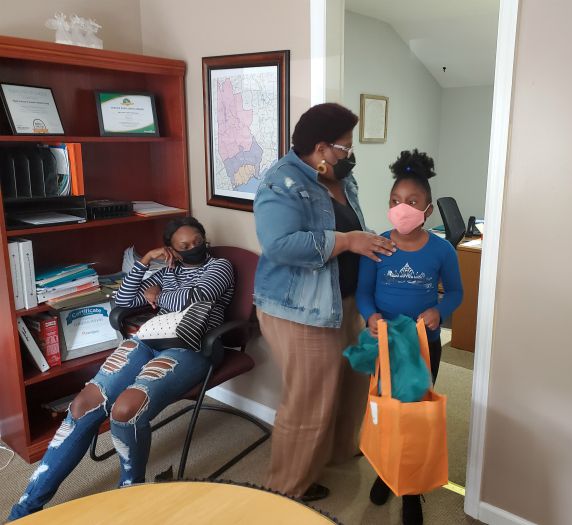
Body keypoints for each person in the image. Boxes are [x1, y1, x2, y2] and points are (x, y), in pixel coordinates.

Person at [7, 217, 234, 521]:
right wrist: (145, 261)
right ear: (171, 250)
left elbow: (196, 297)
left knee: (126, 410)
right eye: (184, 246)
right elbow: (122, 301)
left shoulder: (219, 267)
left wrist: (157, 296)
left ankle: (131, 495)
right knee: (82, 406)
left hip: (194, 347)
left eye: (198, 242)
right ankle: (25, 509)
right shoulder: (165, 271)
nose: (194, 248)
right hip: (150, 340)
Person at [253, 102, 396, 502]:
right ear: (321, 147)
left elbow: (351, 225)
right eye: (346, 147)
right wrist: (350, 242)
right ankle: (284, 490)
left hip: (344, 300)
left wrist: (373, 240)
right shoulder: (280, 182)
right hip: (300, 310)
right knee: (309, 401)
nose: (351, 155)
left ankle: (334, 454)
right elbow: (279, 246)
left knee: (351, 384)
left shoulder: (340, 177)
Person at [355, 150, 464, 525]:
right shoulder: (378, 246)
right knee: (387, 412)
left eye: (412, 202)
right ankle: (387, 473)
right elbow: (365, 292)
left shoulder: (442, 250)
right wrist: (369, 317)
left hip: (423, 345)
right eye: (395, 201)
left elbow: (455, 293)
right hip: (386, 344)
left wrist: (439, 311)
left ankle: (412, 488)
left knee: (415, 415)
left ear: (428, 210)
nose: (402, 208)